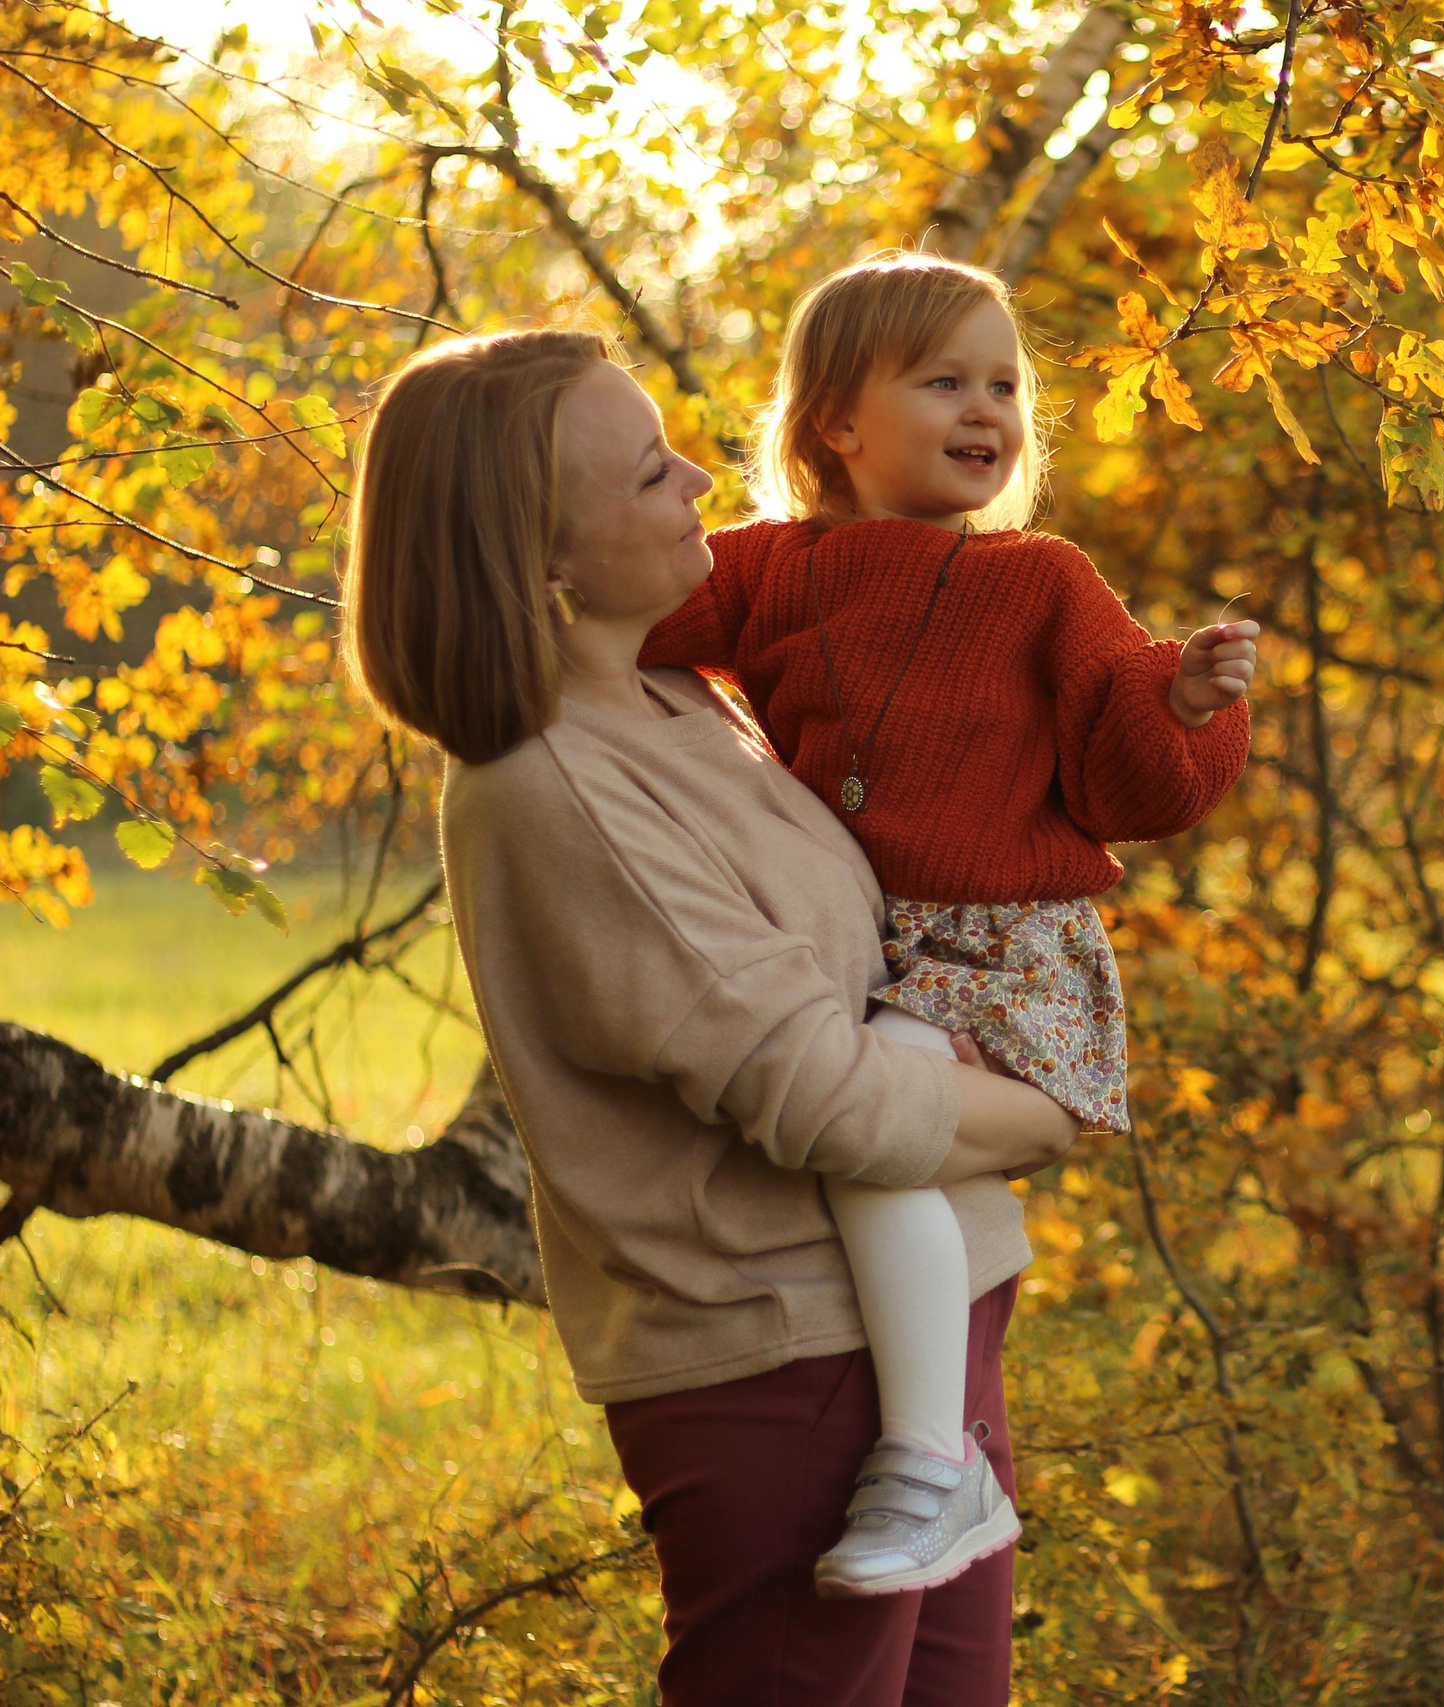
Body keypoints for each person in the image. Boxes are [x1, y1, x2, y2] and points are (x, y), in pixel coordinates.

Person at [342, 324, 1079, 1705]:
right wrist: (1047, 1112)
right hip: (784, 1364)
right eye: (644, 474)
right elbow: (824, 1101)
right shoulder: (553, 787)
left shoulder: (689, 698)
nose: (696, 479)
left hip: (923, 1324)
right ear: (542, 563)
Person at [637, 250, 1259, 1596]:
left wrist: (1181, 704)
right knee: (846, 1123)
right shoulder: (775, 569)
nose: (986, 410)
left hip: (1002, 958)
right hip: (865, 956)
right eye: (942, 382)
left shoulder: (1042, 582)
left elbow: (1126, 786)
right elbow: (628, 614)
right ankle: (918, 1449)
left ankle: (932, 1463)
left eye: (1003, 387)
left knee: (874, 1123)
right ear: (836, 424)